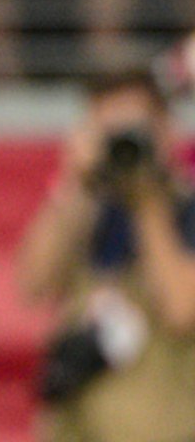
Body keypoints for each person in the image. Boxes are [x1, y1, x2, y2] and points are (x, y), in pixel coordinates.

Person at [16, 70, 195, 441]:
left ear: (165, 130)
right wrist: (77, 182)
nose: (121, 145)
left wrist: (146, 202)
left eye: (133, 130)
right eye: (108, 131)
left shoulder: (184, 209)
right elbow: (33, 283)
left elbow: (182, 309)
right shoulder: (88, 210)